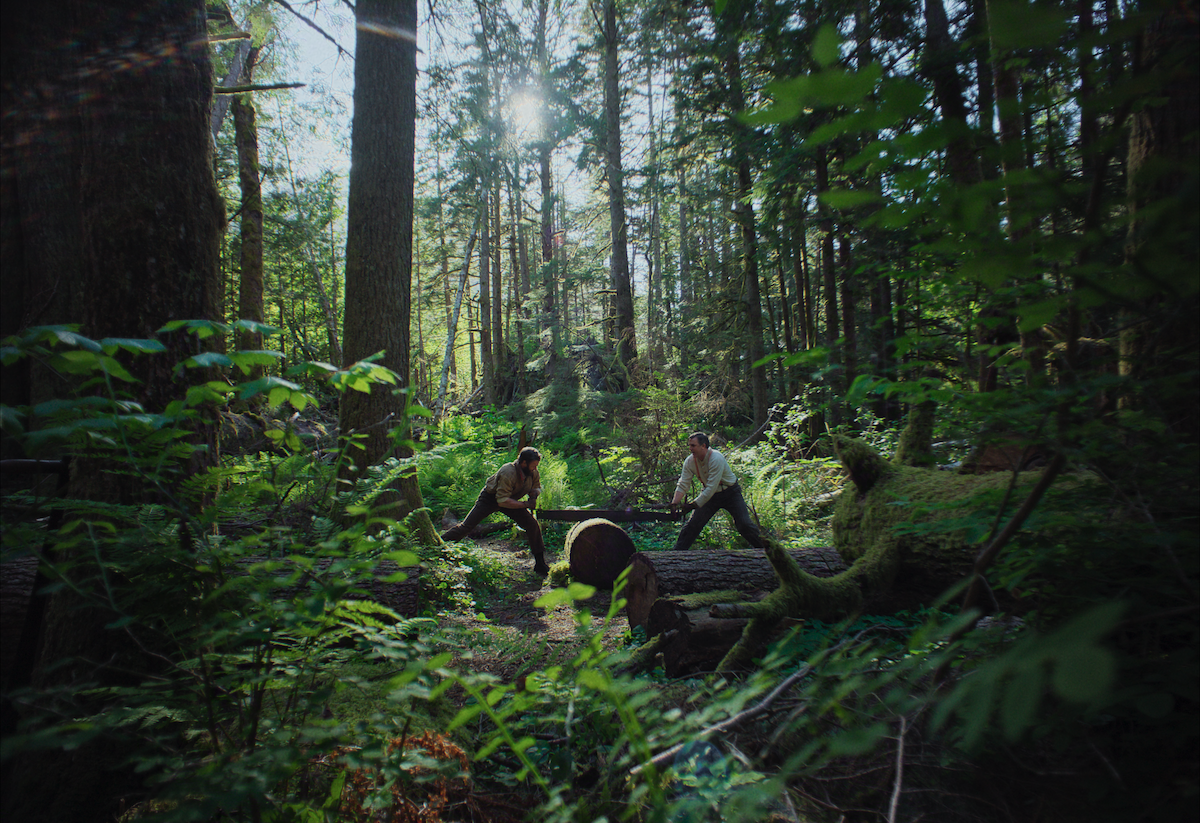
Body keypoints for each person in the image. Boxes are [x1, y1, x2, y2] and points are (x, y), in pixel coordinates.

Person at [440, 446, 549, 576]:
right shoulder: (508, 472)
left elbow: (537, 486)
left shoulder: (532, 471)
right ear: (524, 463)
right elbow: (502, 501)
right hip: (490, 499)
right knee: (467, 527)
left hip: (511, 499)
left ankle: (540, 563)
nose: (535, 469)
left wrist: (534, 494)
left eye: (536, 466)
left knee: (532, 524)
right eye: (533, 466)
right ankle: (439, 545)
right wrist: (525, 504)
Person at [669, 432, 762, 552]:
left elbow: (711, 487)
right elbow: (683, 483)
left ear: (703, 446)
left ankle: (767, 551)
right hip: (710, 497)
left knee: (744, 525)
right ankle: (677, 554)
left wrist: (693, 505)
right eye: (689, 445)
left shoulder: (716, 458)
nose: (690, 449)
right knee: (693, 525)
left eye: (693, 446)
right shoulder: (689, 461)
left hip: (731, 494)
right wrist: (674, 503)